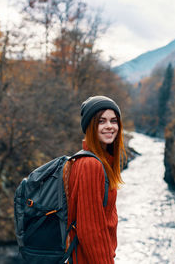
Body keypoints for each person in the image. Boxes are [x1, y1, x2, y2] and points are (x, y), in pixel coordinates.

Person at [64, 95, 126, 264]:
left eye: (114, 121)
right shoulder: (91, 165)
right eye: (101, 121)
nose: (109, 126)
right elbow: (91, 230)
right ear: (90, 126)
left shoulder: (100, 162)